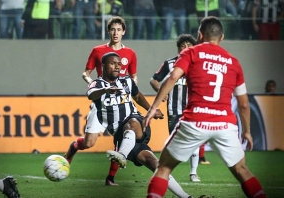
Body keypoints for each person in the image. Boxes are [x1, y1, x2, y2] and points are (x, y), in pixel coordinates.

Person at [144, 16, 266, 198]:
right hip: (225, 125)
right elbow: (243, 104)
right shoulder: (233, 62)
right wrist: (247, 131)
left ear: (200, 35)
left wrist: (154, 106)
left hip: (195, 120)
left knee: (164, 168)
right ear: (222, 37)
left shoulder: (191, 53)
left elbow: (172, 77)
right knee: (241, 170)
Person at [67, 16, 138, 186]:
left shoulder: (130, 54)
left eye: (119, 29)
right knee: (89, 143)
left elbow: (133, 76)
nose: (116, 33)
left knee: (121, 142)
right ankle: (74, 147)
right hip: (102, 104)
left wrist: (131, 92)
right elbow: (86, 73)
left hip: (121, 104)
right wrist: (94, 85)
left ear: (124, 32)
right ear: (108, 31)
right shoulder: (98, 51)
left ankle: (110, 178)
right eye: (113, 29)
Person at [150, 34, 200, 182]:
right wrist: (161, 92)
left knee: (195, 140)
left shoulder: (198, 63)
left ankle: (193, 172)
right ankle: (165, 171)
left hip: (192, 109)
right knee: (173, 143)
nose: (185, 49)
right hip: (174, 110)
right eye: (182, 46)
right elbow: (153, 80)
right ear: (178, 49)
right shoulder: (170, 64)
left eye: (189, 46)